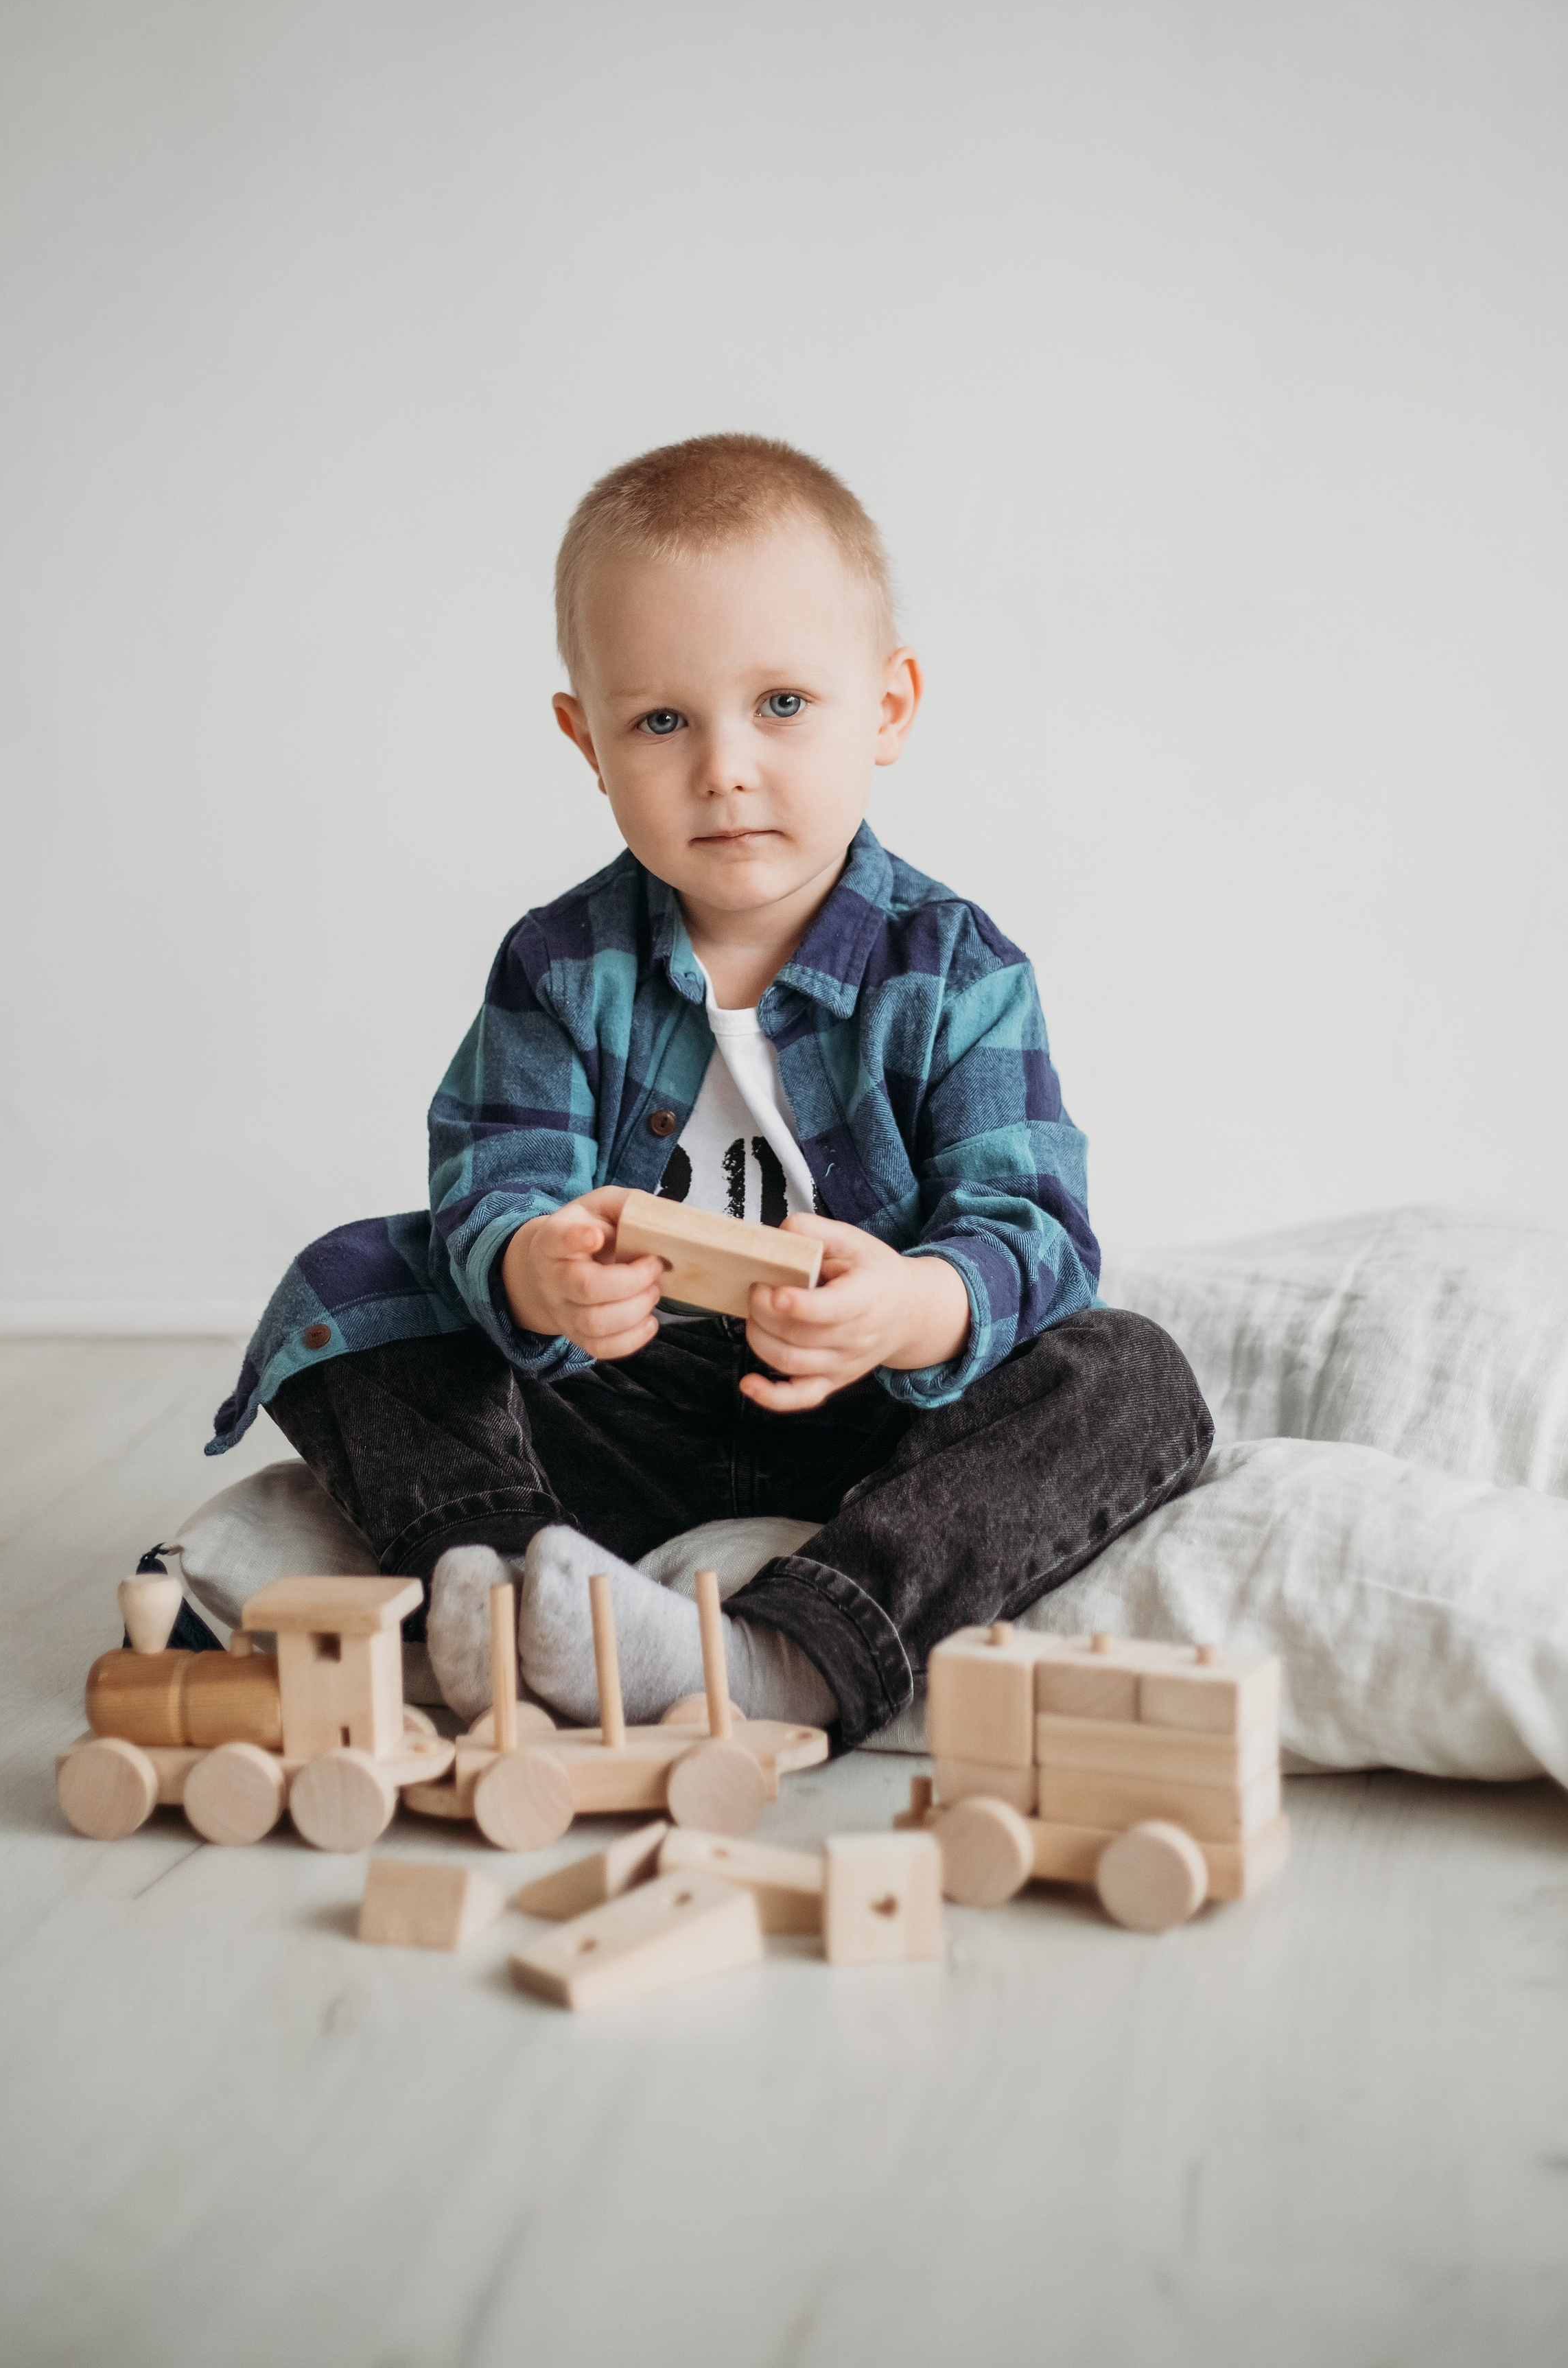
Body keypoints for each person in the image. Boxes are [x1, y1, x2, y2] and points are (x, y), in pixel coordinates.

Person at [208, 434, 1212, 1745]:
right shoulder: (560, 965)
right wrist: (536, 1272)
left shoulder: (956, 971)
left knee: (1127, 1373)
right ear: (587, 739)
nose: (725, 767)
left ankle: (789, 1653)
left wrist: (911, 1308)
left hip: (870, 1425)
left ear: (889, 708)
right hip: (616, 1416)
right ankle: (503, 1581)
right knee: (353, 1285)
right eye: (662, 721)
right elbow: (496, 1180)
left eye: (782, 704)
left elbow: (1032, 1224)